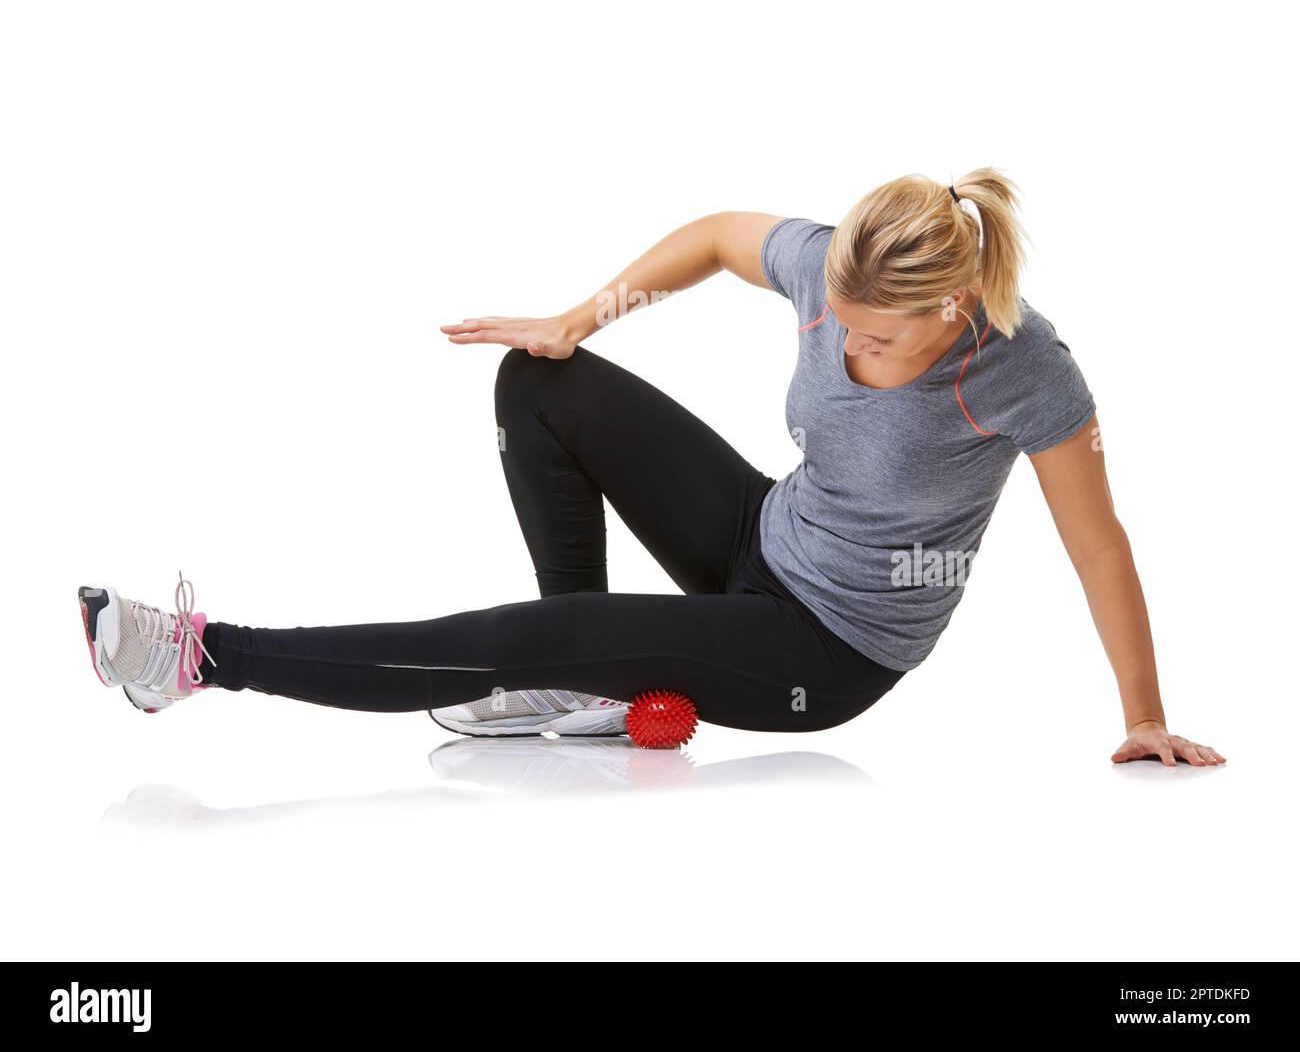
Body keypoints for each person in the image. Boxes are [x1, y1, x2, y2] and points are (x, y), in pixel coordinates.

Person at [76, 168, 1225, 765]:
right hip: (762, 535)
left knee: (534, 638)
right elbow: (726, 233)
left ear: (956, 308)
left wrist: (1144, 714)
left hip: (827, 651)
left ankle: (200, 659)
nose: (848, 345)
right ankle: (582, 665)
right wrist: (580, 316)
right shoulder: (833, 267)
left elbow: (1097, 544)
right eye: (837, 319)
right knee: (539, 378)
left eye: (878, 338)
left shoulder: (1023, 369)